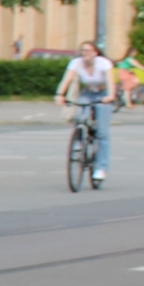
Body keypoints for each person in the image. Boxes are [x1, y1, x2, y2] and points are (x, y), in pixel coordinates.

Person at [55, 39, 115, 185]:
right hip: (87, 93)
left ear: (95, 53)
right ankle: (79, 139)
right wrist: (59, 94)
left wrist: (110, 96)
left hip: (102, 94)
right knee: (79, 114)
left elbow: (110, 82)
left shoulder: (103, 63)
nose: (85, 53)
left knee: (102, 133)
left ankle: (100, 168)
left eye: (88, 51)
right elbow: (67, 79)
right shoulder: (76, 63)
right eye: (83, 50)